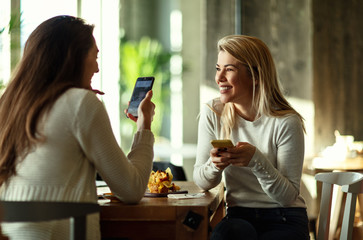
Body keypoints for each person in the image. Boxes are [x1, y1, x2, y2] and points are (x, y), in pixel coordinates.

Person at [0, 15, 155, 240]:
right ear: (75, 58)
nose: (97, 68)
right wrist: (144, 126)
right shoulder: (81, 103)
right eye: (95, 57)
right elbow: (131, 189)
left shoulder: (9, 103)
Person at [193, 35, 310, 240]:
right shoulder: (213, 113)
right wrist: (214, 165)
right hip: (239, 215)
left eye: (229, 69)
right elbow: (201, 182)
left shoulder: (286, 121)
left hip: (285, 217)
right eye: (218, 68)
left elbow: (287, 197)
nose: (219, 78)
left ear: (255, 75)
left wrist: (256, 160)